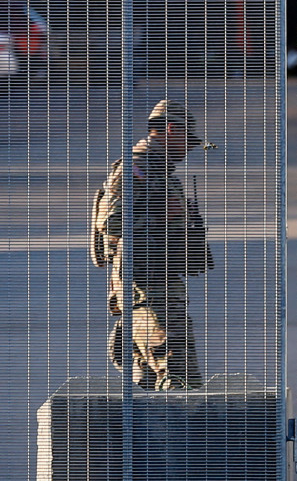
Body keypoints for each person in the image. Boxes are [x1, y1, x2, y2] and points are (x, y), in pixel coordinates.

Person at [92, 100, 212, 391]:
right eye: (186, 140)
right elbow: (110, 222)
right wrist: (161, 210)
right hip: (145, 281)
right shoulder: (137, 165)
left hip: (159, 278)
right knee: (177, 373)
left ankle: (155, 434)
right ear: (171, 130)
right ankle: (182, 434)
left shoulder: (159, 170)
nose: (188, 149)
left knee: (158, 374)